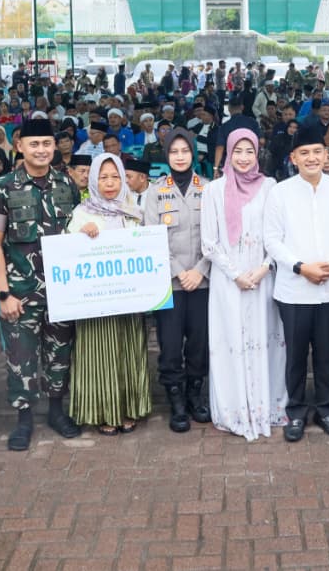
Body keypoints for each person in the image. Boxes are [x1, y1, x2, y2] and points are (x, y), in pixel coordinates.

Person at [0, 118, 82, 450]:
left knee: (59, 354)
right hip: (20, 293)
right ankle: (24, 420)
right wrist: (3, 293)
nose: (41, 150)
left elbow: (79, 232)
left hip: (62, 290)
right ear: (19, 146)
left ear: (54, 147)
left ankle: (56, 412)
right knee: (21, 357)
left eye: (47, 144)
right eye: (34, 144)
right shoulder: (1, 188)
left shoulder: (67, 185)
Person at [263, 125, 329, 442]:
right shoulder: (280, 192)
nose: (312, 157)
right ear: (293, 157)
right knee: (295, 356)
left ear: (326, 154)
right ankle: (296, 412)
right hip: (294, 288)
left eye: (317, 151)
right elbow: (272, 240)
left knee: (325, 353)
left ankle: (327, 410)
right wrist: (301, 267)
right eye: (304, 152)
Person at [199, 130, 285, 441]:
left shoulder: (271, 188)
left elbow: (277, 235)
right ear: (228, 153)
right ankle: (234, 409)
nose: (244, 157)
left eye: (250, 151)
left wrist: (262, 269)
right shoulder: (213, 190)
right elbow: (209, 243)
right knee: (230, 341)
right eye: (238, 151)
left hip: (263, 277)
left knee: (264, 340)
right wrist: (236, 274)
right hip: (228, 281)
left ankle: (266, 408)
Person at [66, 153, 152, 435]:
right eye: (103, 177)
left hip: (127, 301)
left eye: (115, 176)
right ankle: (104, 412)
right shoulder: (82, 212)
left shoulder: (132, 210)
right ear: (93, 180)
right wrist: (81, 234)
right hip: (95, 305)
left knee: (128, 352)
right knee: (98, 355)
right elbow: (68, 254)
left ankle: (128, 408)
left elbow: (144, 248)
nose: (110, 183)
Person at [143, 129, 212, 432]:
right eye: (174, 152)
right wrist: (178, 271)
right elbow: (150, 237)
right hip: (169, 283)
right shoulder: (155, 192)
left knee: (199, 343)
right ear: (166, 155)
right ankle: (176, 402)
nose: (180, 157)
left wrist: (200, 269)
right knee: (170, 346)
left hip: (202, 281)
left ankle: (195, 396)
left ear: (194, 154)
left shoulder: (209, 189)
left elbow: (217, 237)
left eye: (185, 151)